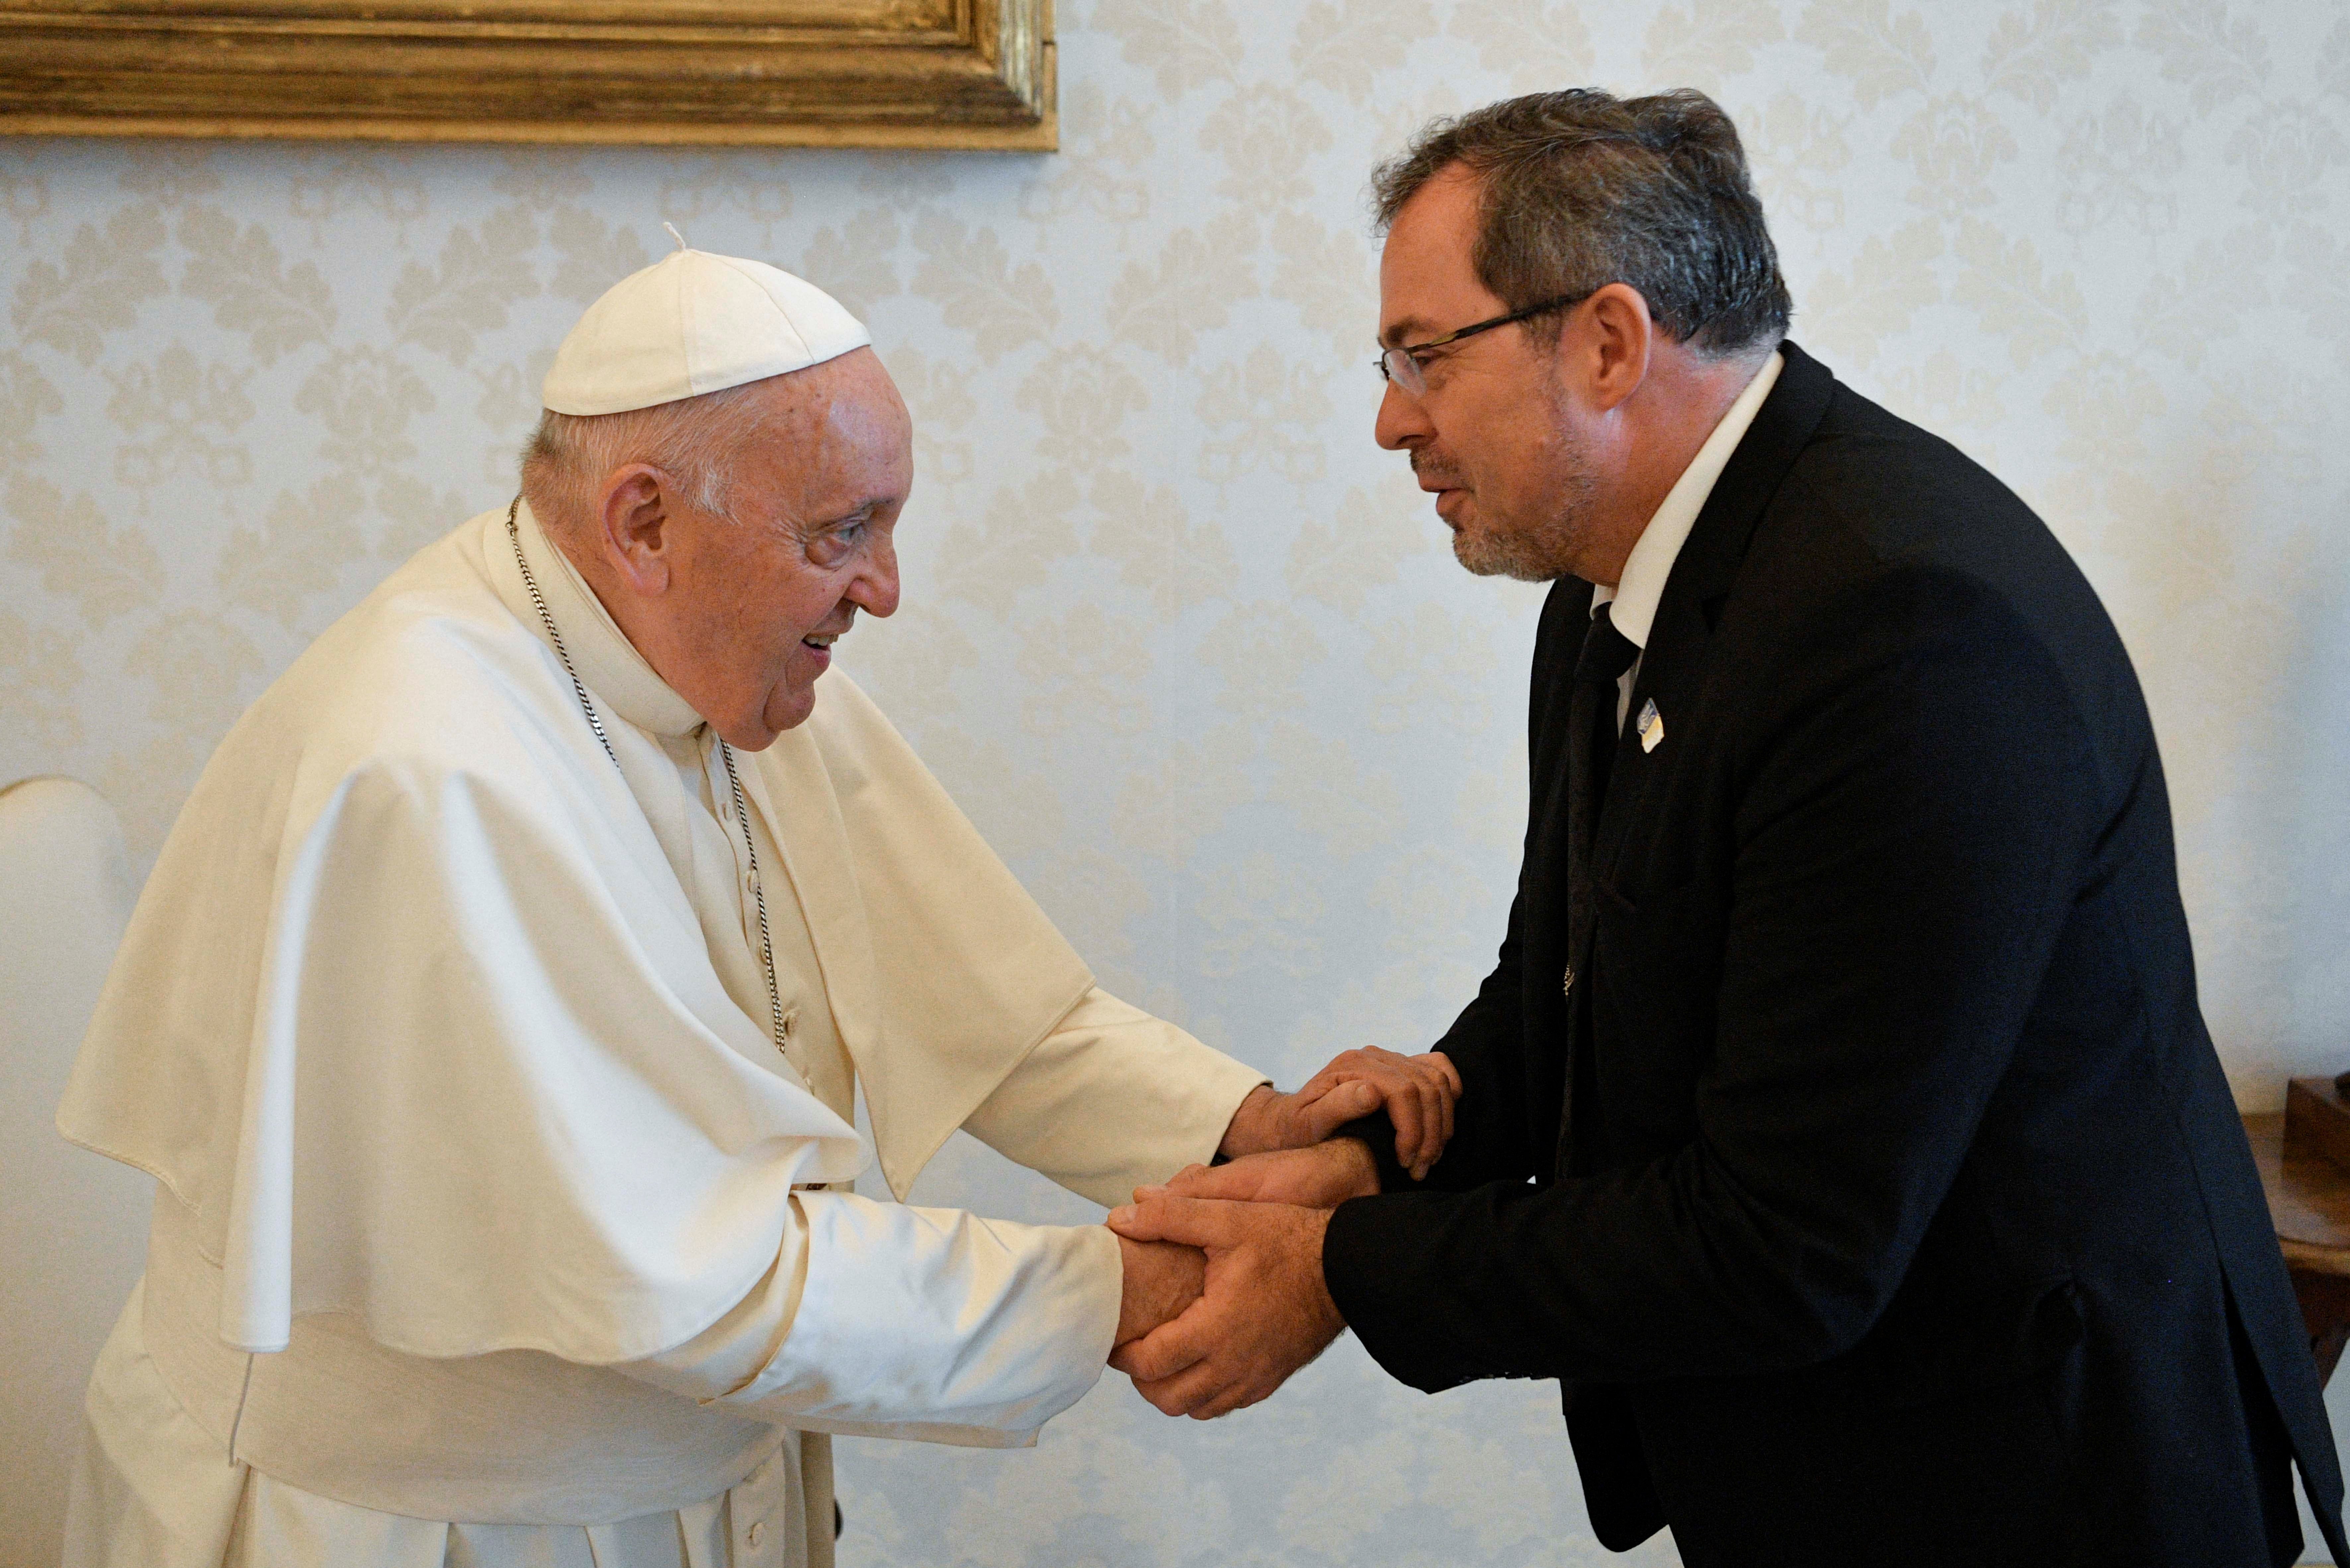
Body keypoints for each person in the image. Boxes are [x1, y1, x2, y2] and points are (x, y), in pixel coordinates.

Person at [56, 242, 1460, 1568]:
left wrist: (1242, 1130)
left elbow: (991, 1012)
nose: (887, 592)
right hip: (426, 1526)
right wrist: (1128, 1291)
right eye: (843, 532)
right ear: (645, 521)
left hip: (670, 1487)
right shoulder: (432, 773)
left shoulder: (710, 657)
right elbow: (697, 1272)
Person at [1109, 87, 2350, 1567]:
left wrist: (1343, 1267)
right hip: (1824, 1458)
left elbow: (1785, 1243)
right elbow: (1571, 980)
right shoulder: (1610, 578)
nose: (1390, 418)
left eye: (1421, 354)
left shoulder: (1902, 626)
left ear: (1608, 342)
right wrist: (1392, 1147)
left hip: (2022, 1487)